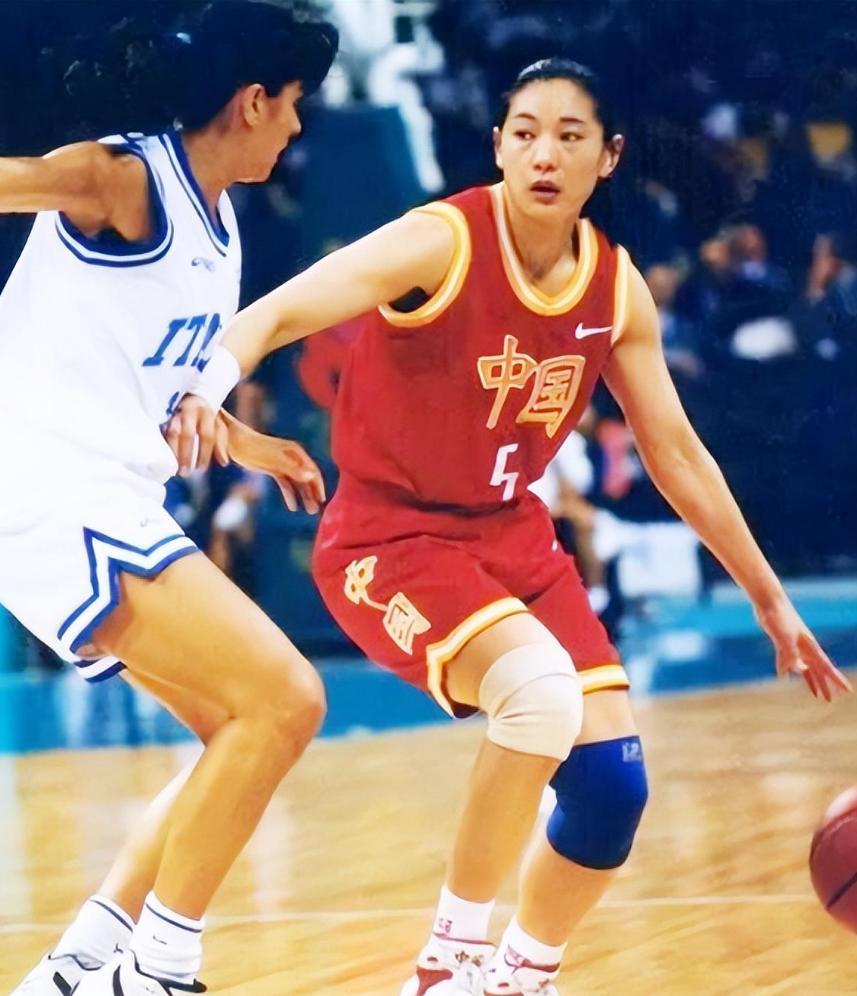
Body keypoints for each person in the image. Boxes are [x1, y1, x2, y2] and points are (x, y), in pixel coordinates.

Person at [181, 58, 852, 996]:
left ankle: (519, 976)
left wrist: (768, 599)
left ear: (607, 157)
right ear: (497, 145)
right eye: (525, 133)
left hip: (511, 538)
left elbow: (676, 454)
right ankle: (447, 965)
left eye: (569, 137)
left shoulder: (614, 290)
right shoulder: (440, 240)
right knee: (536, 695)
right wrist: (206, 388)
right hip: (387, 538)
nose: (544, 154)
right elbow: (280, 310)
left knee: (610, 788)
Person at [0, 3, 338, 995]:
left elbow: (154, 386)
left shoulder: (219, 225)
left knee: (238, 725)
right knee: (287, 699)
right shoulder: (124, 176)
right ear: (253, 101)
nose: (299, 126)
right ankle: (158, 969)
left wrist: (242, 438)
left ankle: (85, 959)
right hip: (51, 484)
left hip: (100, 492)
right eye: (296, 103)